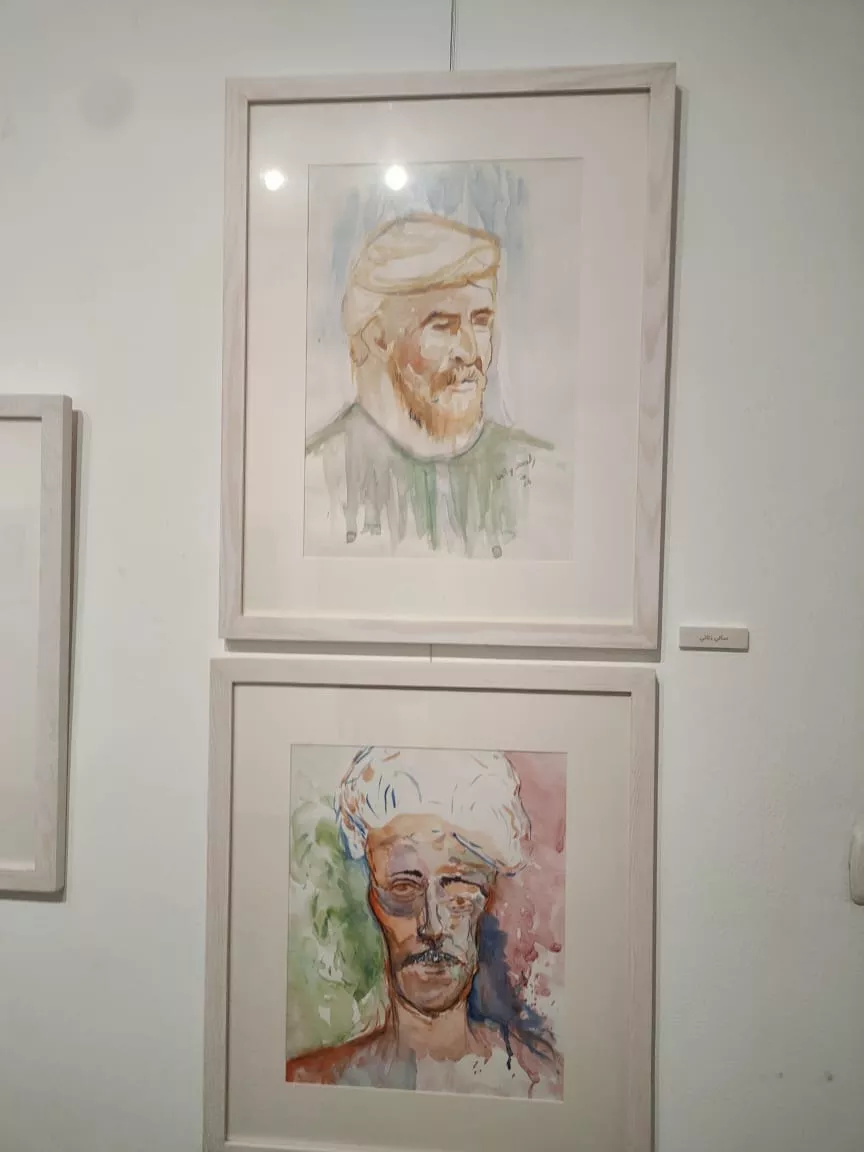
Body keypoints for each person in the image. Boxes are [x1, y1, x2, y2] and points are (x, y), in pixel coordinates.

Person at [286, 747, 562, 1096]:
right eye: (403, 888)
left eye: (458, 888)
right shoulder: (309, 1083)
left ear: (487, 897)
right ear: (374, 899)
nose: (432, 926)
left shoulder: (543, 1081)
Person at [304, 213, 570, 558]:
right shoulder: (315, 479)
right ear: (378, 337)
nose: (470, 352)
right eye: (442, 326)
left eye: (481, 322)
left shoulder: (543, 478)